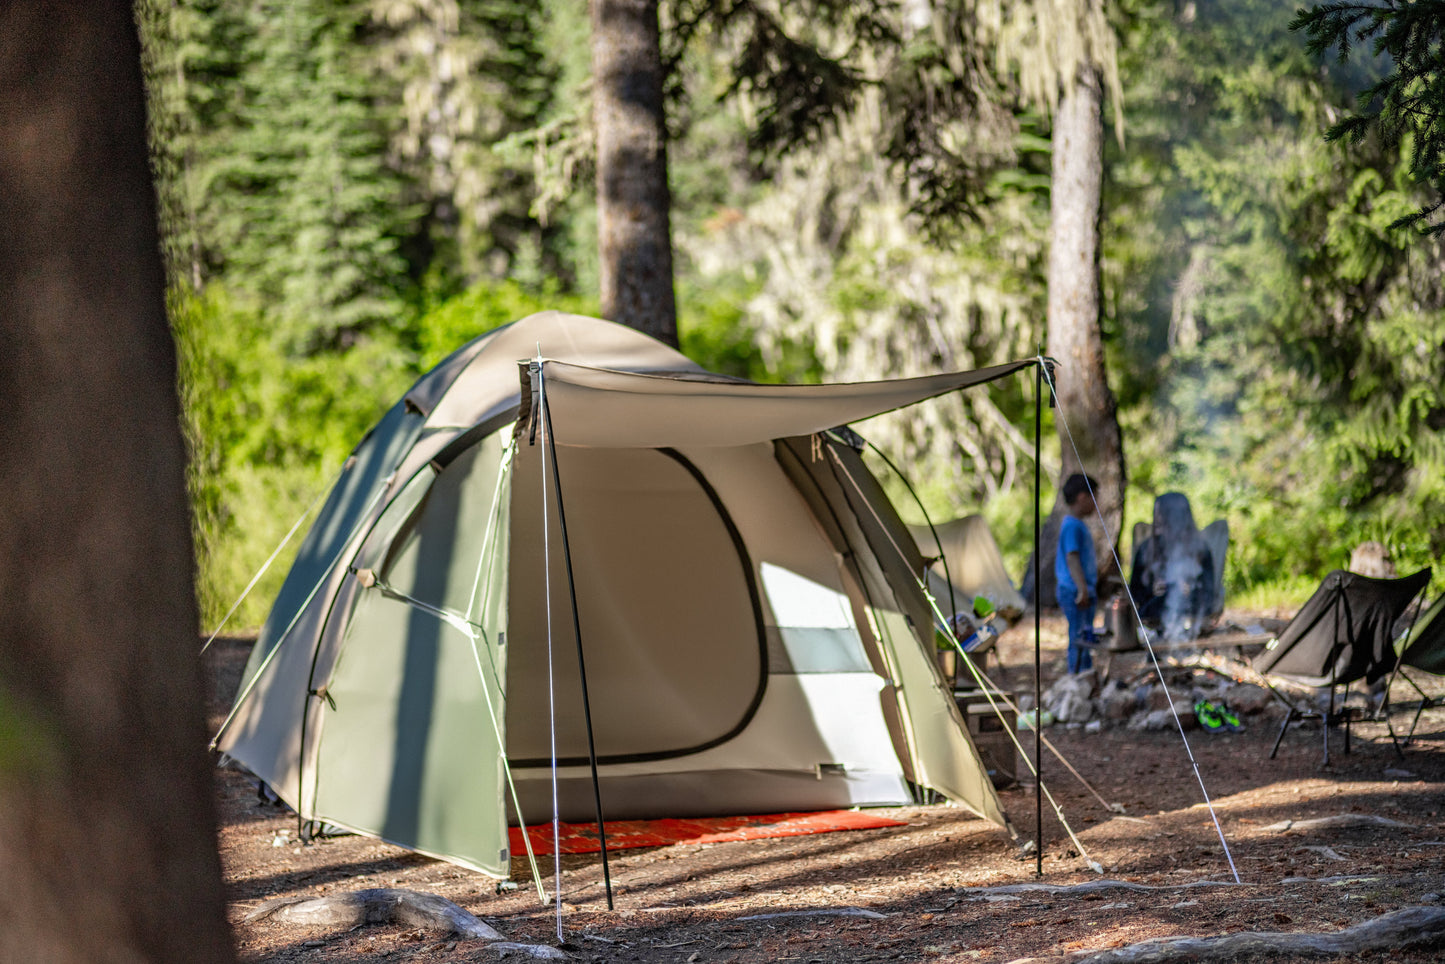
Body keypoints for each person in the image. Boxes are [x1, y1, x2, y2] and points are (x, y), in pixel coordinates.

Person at [1128, 492, 1215, 641]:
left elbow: (1209, 594)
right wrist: (1152, 590)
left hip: (1189, 617)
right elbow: (1134, 592)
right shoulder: (1147, 549)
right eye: (1156, 512)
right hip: (1152, 618)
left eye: (1161, 513)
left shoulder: (1199, 549)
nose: (1157, 517)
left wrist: (1190, 590)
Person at [1055, 473, 1100, 674]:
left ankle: (1085, 674)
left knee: (1084, 634)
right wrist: (1082, 589)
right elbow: (1072, 557)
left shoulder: (1075, 524)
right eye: (1094, 497)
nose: (1096, 502)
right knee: (1079, 637)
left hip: (1079, 589)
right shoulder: (1072, 526)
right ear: (1082, 497)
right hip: (1074, 590)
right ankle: (1077, 677)